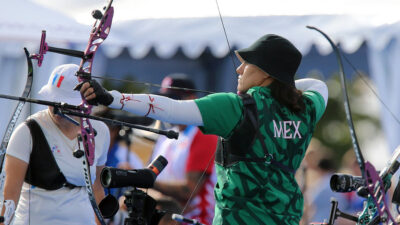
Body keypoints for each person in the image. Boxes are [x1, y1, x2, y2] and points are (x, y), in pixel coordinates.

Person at [79, 34, 328, 225]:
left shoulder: (237, 107)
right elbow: (319, 86)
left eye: (248, 64)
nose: (239, 70)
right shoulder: (306, 108)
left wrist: (111, 98)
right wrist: (283, 88)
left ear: (266, 73)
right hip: (287, 218)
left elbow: (172, 109)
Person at [2, 64, 109, 225]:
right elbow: (9, 196)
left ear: (82, 103)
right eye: (53, 100)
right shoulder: (27, 132)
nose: (55, 108)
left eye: (65, 104)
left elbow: (97, 189)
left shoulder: (100, 131)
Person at [149, 74, 218, 225]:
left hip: (195, 220)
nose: (167, 105)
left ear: (191, 99)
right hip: (166, 218)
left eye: (173, 99)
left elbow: (189, 191)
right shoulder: (166, 137)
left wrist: (145, 180)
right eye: (165, 99)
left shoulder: (203, 134)